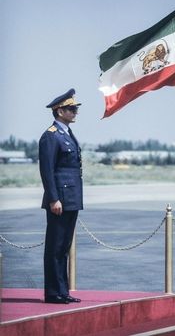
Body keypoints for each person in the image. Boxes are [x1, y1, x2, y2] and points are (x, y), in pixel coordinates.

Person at [39, 88, 83, 304]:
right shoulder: (50, 136)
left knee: (63, 248)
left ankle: (62, 291)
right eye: (71, 109)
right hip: (59, 200)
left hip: (71, 198)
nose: (75, 112)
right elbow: (47, 171)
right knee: (55, 247)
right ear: (59, 111)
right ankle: (53, 293)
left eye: (75, 108)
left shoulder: (66, 133)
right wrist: (53, 198)